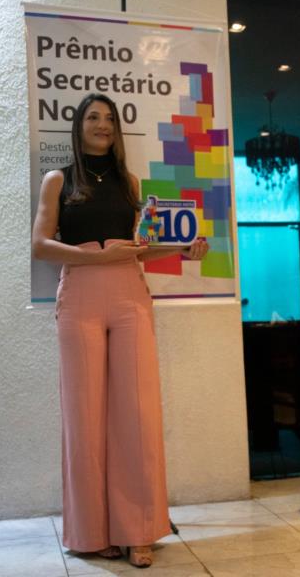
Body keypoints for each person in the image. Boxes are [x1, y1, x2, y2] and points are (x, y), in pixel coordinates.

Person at [32, 93, 209, 568]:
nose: (103, 125)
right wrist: (93, 256)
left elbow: (139, 247)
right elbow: (40, 245)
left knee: (137, 414)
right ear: (78, 126)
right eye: (93, 117)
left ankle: (138, 531)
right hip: (81, 297)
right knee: (85, 419)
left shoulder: (129, 183)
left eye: (109, 118)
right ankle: (92, 534)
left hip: (129, 294)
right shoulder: (58, 180)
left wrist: (182, 248)